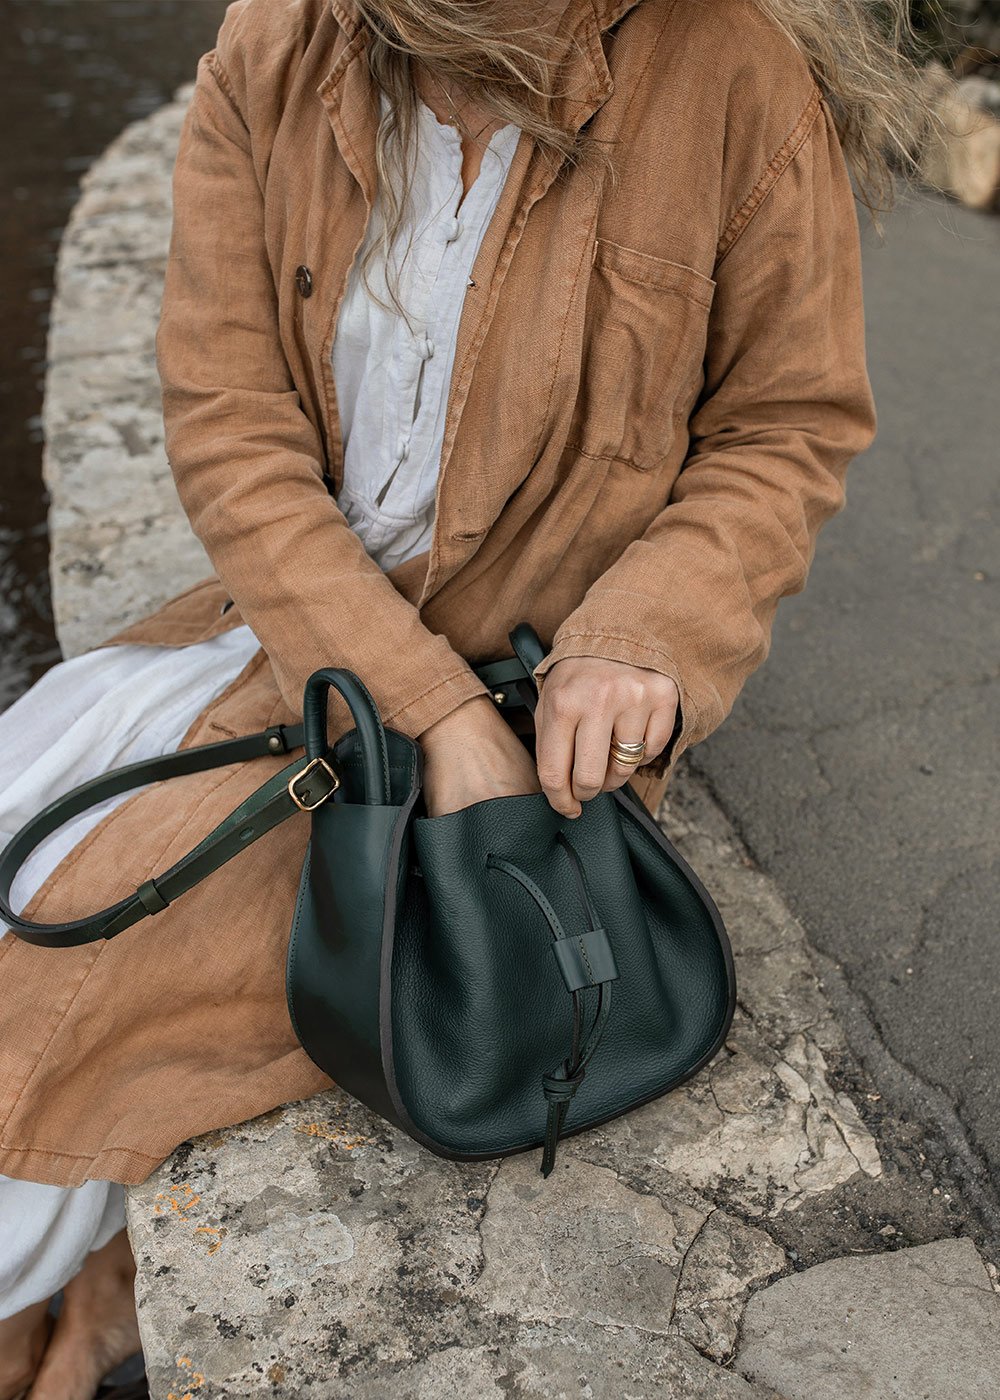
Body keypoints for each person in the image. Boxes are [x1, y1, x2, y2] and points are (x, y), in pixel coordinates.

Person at [0, 0, 937, 1393]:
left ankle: (68, 1318)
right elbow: (230, 427)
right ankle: (80, 1302)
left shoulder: (733, 78)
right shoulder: (275, 51)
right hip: (297, 639)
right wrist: (423, 713)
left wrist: (645, 638)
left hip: (530, 694)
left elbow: (783, 429)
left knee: (64, 999)